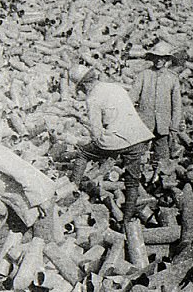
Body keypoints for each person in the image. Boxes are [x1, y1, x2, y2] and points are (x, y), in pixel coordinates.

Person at [69, 65, 153, 222]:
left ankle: (71, 189)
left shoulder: (92, 98)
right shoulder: (115, 87)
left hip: (116, 139)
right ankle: (127, 221)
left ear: (84, 85)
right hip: (138, 136)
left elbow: (96, 131)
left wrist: (99, 148)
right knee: (132, 181)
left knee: (82, 152)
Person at [130, 40, 183, 179]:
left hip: (163, 126)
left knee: (162, 157)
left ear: (167, 59)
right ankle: (139, 182)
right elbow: (132, 98)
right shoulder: (144, 75)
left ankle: (160, 185)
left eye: (162, 58)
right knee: (138, 155)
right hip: (144, 124)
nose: (159, 60)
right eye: (156, 57)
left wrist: (174, 127)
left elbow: (177, 106)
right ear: (152, 58)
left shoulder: (172, 79)